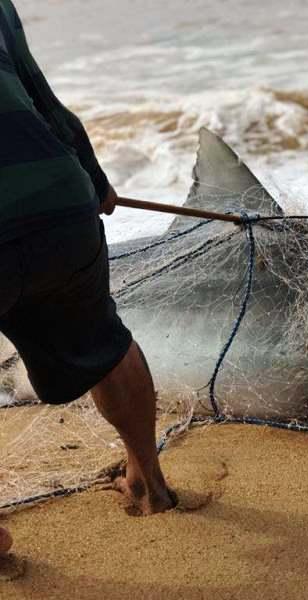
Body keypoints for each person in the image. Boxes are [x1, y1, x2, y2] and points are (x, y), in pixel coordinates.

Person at [0, 0, 175, 559]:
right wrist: (92, 177)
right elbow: (38, 94)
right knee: (105, 342)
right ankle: (149, 482)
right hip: (58, 200)